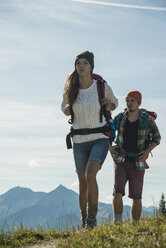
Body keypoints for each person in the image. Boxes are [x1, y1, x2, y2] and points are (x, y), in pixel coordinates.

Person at [61, 51, 118, 228]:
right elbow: (63, 107)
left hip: (100, 137)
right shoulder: (71, 88)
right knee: (83, 182)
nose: (81, 66)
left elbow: (114, 103)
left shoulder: (101, 86)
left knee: (90, 173)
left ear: (91, 66)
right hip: (78, 139)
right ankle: (84, 221)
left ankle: (92, 221)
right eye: (78, 63)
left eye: (85, 63)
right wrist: (67, 109)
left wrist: (110, 105)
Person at [110, 90, 161, 224]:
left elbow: (157, 138)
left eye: (133, 101)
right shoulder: (120, 118)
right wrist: (110, 148)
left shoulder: (147, 120)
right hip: (121, 158)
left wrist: (147, 152)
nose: (130, 103)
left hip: (138, 161)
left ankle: (135, 224)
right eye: (128, 100)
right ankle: (118, 223)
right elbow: (108, 133)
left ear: (139, 103)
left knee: (136, 196)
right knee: (118, 191)